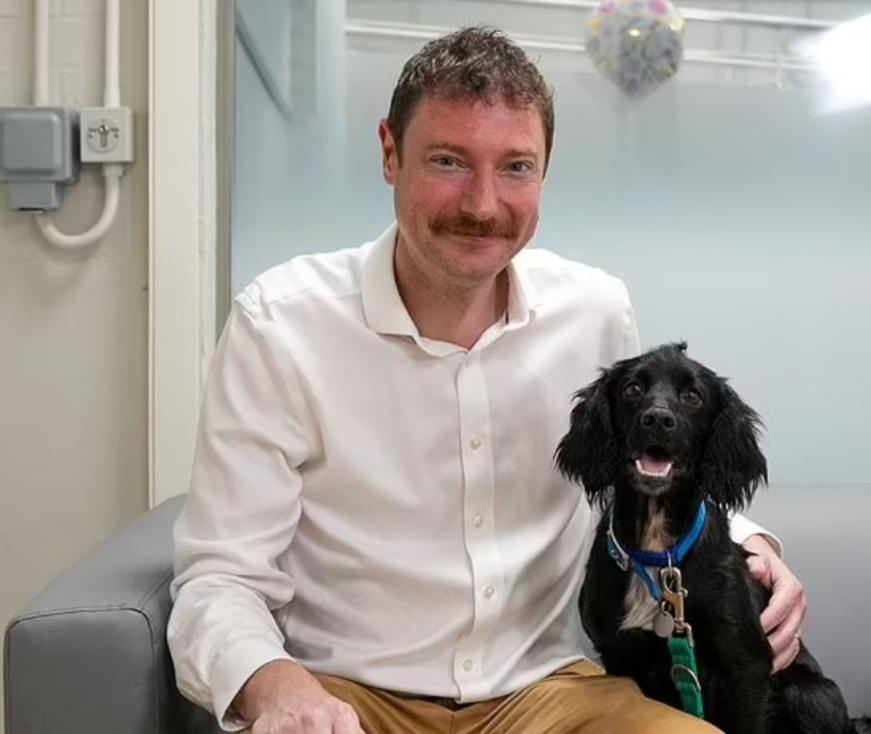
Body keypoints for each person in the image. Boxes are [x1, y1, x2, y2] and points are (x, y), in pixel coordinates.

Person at [168, 26, 806, 734]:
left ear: (544, 171)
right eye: (448, 161)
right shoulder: (279, 323)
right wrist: (271, 684)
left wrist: (750, 543)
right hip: (349, 696)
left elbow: (629, 474)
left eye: (515, 168)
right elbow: (220, 577)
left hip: (553, 692)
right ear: (389, 151)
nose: (481, 204)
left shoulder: (593, 311)